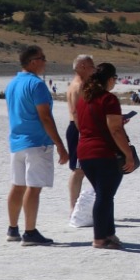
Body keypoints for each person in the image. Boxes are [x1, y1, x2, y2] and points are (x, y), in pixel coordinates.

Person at [5, 45, 68, 245]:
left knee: (18, 185)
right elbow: (45, 117)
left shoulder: (12, 83)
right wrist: (59, 144)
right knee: (33, 187)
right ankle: (30, 232)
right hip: (37, 142)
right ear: (33, 61)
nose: (45, 62)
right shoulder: (36, 85)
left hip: (17, 141)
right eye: (42, 58)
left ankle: (12, 228)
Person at [73, 62, 138, 249]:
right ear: (109, 79)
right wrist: (128, 155)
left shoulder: (83, 99)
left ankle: (109, 234)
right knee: (104, 196)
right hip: (104, 153)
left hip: (85, 152)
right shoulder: (108, 99)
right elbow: (115, 130)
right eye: (115, 78)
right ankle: (100, 238)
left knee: (105, 195)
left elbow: (81, 123)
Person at [63, 54, 95, 212]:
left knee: (82, 169)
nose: (94, 69)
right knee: (78, 170)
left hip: (79, 128)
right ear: (82, 67)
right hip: (78, 129)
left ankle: (77, 206)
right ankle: (73, 206)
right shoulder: (78, 85)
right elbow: (76, 113)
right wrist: (85, 132)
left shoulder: (81, 83)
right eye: (91, 66)